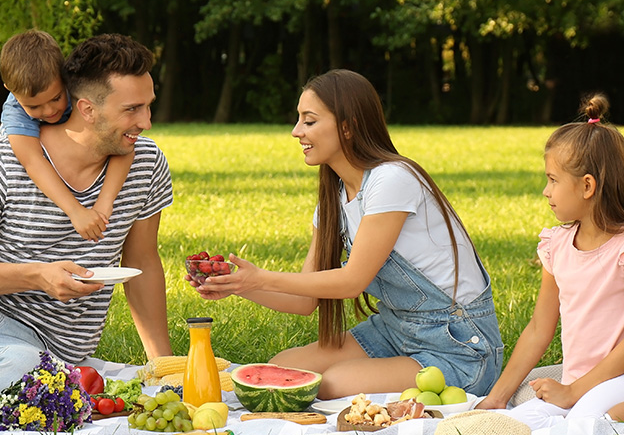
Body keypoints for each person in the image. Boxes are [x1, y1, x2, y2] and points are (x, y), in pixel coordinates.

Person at [191, 69, 503, 399]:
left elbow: (352, 281)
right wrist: (237, 284)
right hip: (394, 331)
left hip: (458, 347)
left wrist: (262, 278)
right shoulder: (334, 199)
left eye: (309, 121)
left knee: (334, 383)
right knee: (282, 366)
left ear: (347, 126)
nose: (296, 132)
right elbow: (304, 300)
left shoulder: (392, 179)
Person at [0, 33, 173, 398]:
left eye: (148, 106)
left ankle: (41, 377)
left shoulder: (146, 163)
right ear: (87, 109)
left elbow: (142, 263)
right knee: (22, 368)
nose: (147, 122)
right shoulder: (3, 161)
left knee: (46, 377)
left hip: (63, 355)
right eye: (132, 109)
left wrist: (164, 369)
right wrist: (38, 276)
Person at [475, 94, 624, 430]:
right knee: (517, 425)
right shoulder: (557, 246)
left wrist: (573, 393)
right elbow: (540, 328)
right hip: (579, 383)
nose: (545, 190)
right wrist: (498, 398)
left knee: (586, 423)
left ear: (587, 186)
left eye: (553, 180)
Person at [0, 30, 133, 241]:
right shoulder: (15, 112)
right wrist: (75, 211)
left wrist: (105, 202)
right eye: (33, 106)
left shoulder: (80, 91)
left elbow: (123, 146)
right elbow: (32, 161)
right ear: (10, 91)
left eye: (56, 98)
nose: (48, 111)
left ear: (65, 77)